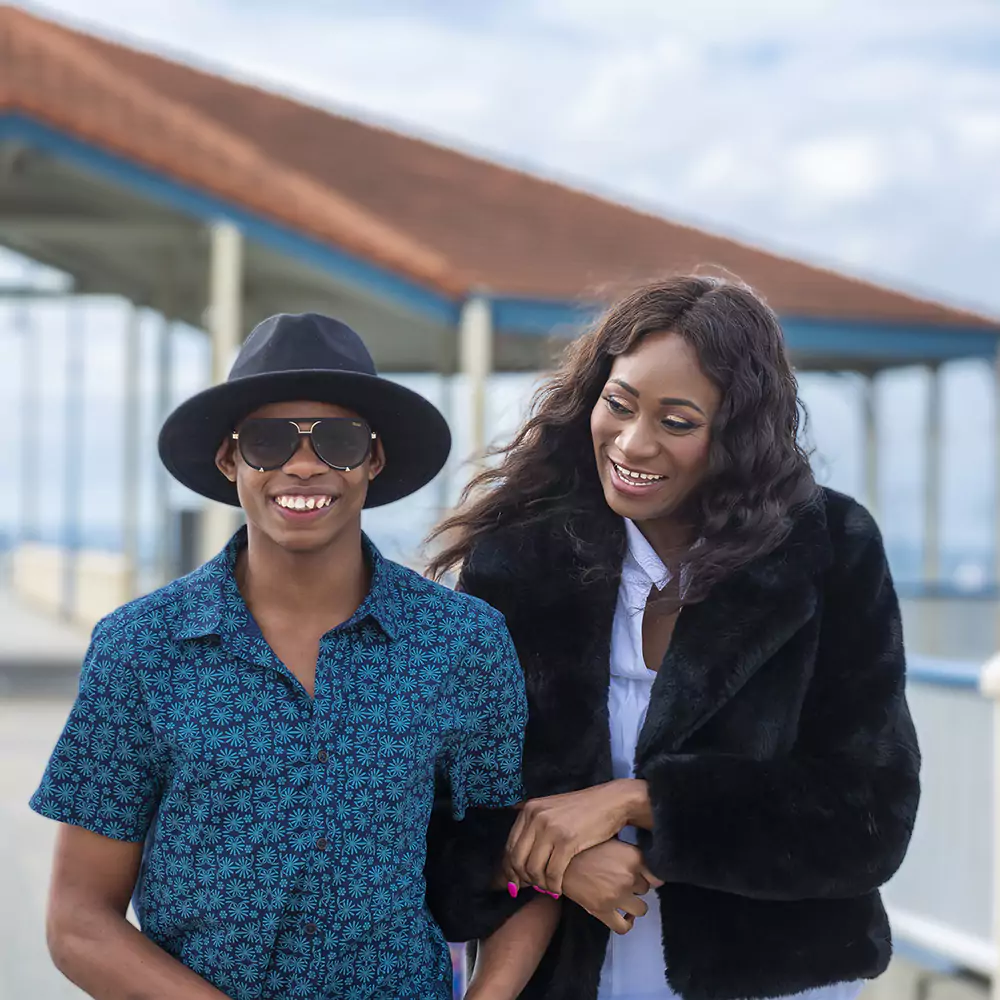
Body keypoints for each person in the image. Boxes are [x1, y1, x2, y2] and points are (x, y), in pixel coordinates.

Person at [30, 313, 557, 1000]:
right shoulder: (140, 647)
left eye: (338, 440)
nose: (303, 464)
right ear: (230, 460)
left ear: (373, 459)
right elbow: (78, 921)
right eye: (268, 440)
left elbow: (524, 866)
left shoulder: (464, 642)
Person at [426, 276, 921, 1000]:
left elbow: (869, 815)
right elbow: (447, 807)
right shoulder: (521, 562)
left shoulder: (829, 548)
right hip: (568, 979)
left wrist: (645, 801)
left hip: (775, 983)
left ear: (737, 435)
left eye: (678, 421)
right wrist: (555, 863)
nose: (633, 442)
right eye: (619, 404)